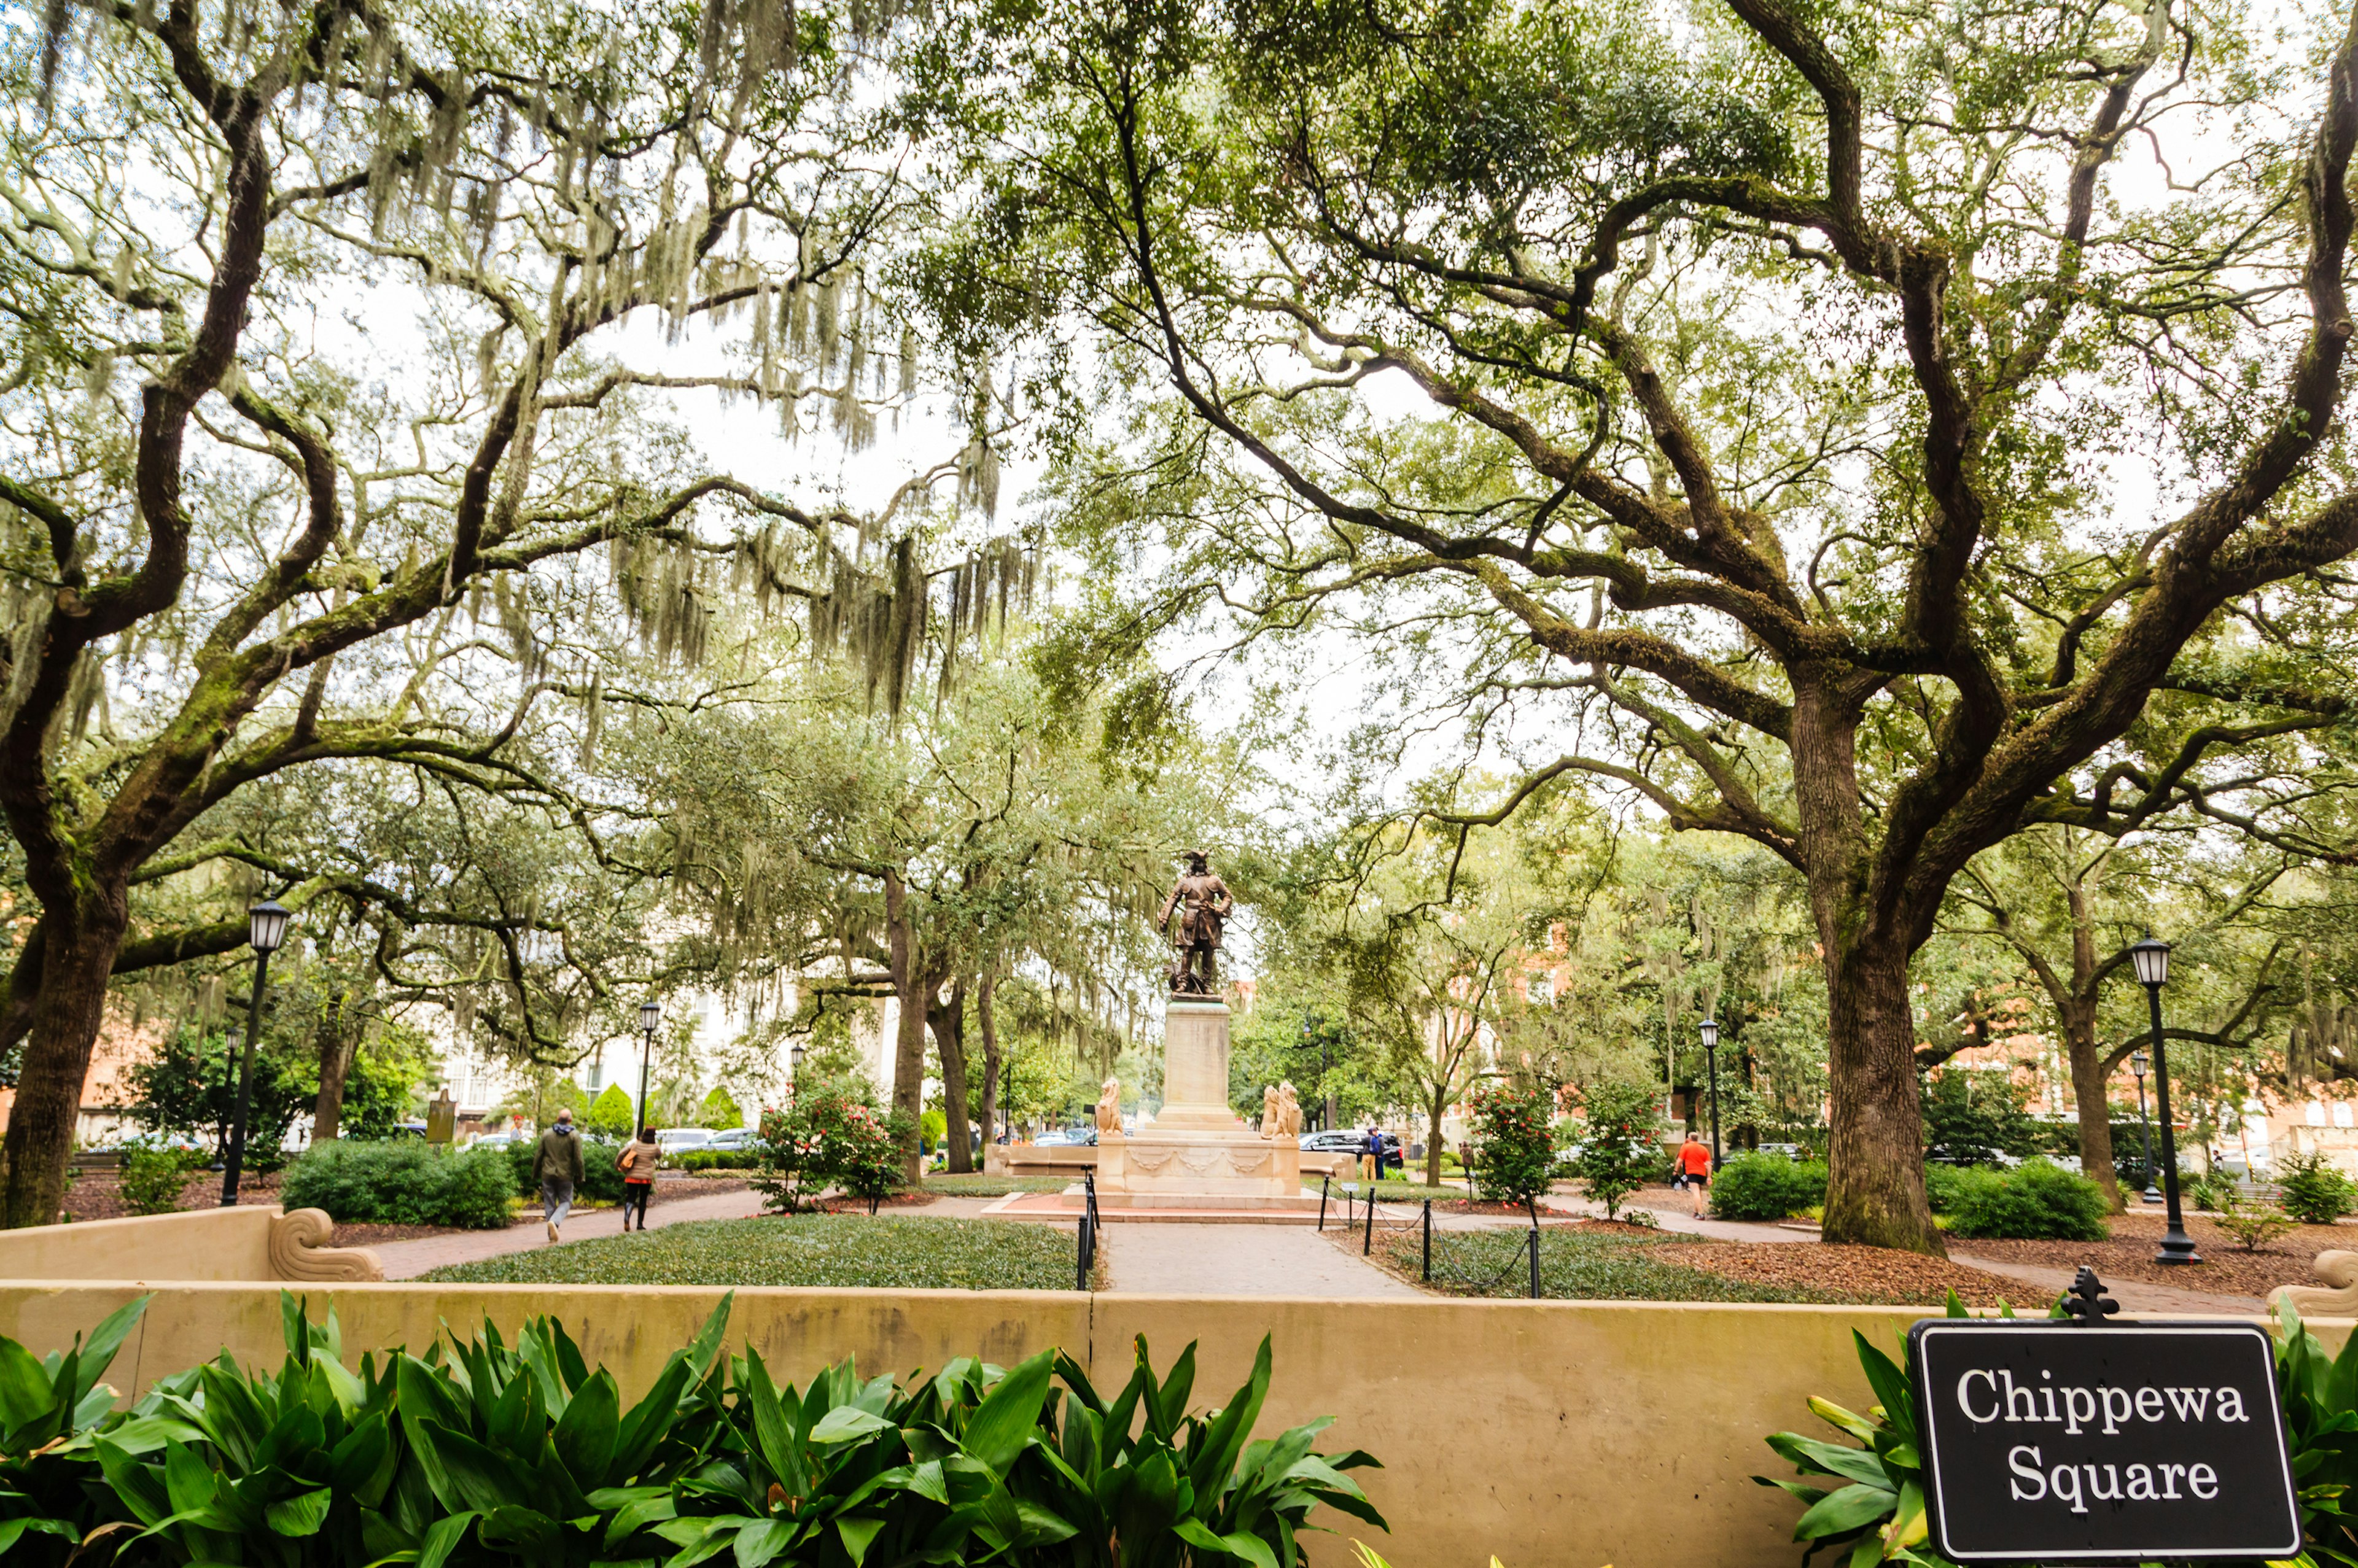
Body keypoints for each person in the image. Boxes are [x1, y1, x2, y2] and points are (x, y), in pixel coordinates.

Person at [534, 1108, 586, 1242]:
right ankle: (555, 1223)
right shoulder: (574, 1135)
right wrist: (581, 1175)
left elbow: (539, 1155)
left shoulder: (547, 1134)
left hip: (547, 1173)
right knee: (566, 1201)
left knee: (549, 1203)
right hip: (565, 1174)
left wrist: (534, 1173)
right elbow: (578, 1158)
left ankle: (551, 1233)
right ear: (570, 1120)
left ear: (558, 1119)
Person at [617, 1124, 660, 1231]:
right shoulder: (655, 1147)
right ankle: (640, 1224)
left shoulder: (636, 1145)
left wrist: (617, 1165)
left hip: (632, 1177)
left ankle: (627, 1218)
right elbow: (659, 1156)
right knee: (643, 1200)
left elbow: (621, 1153)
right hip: (646, 1178)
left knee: (631, 1199)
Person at [1675, 1130, 1713, 1216]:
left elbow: (1680, 1160)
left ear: (1689, 1138)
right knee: (1699, 1192)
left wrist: (1675, 1171)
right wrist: (1709, 1177)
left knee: (1695, 1192)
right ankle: (1696, 1212)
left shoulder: (1686, 1147)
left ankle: (1701, 1213)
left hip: (1692, 1172)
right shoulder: (1704, 1149)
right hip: (1702, 1173)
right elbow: (1709, 1164)